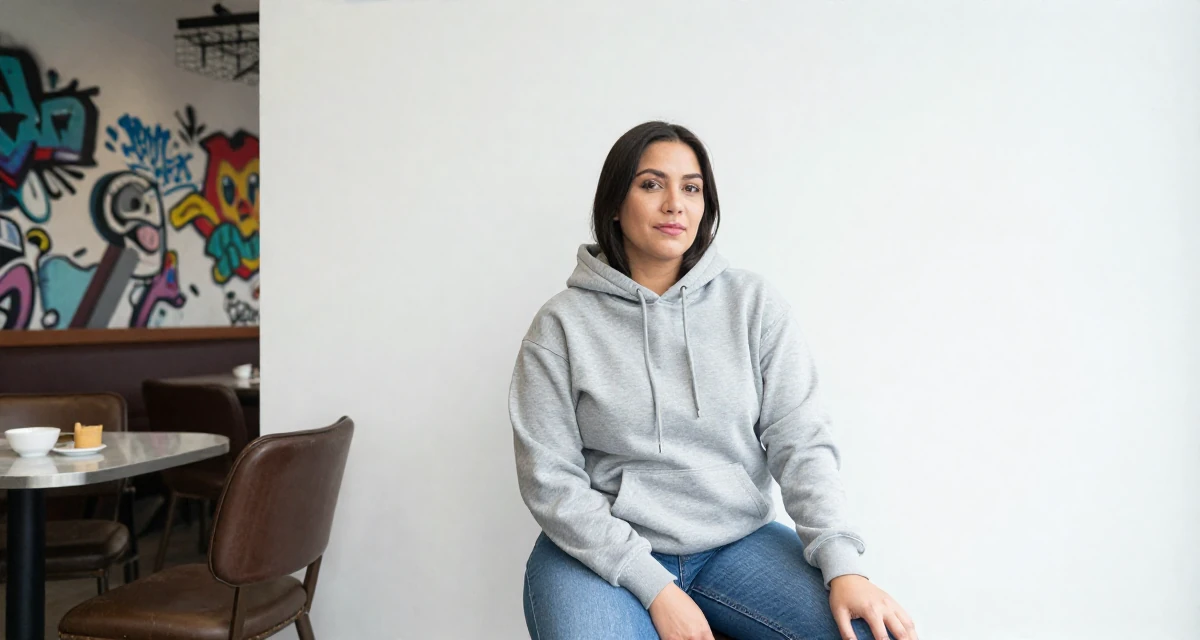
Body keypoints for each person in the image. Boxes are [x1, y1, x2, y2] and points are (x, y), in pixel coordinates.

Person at [509, 121, 916, 640]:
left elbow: (801, 441)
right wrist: (655, 589)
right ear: (614, 202)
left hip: (735, 543)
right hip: (601, 552)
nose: (675, 203)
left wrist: (843, 564)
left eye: (692, 187)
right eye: (651, 184)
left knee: (865, 634)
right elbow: (550, 480)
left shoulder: (753, 305)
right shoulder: (561, 325)